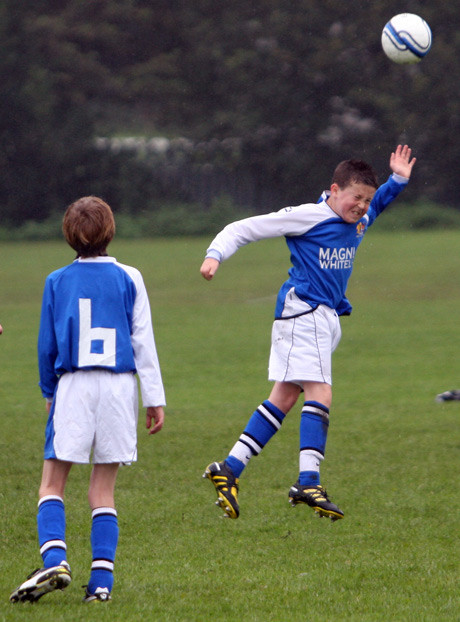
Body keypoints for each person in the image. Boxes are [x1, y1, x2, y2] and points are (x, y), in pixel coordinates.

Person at [200, 145, 416, 522]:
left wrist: (398, 179)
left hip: (325, 318)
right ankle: (308, 481)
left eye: (366, 200)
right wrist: (215, 254)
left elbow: (380, 201)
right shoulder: (308, 216)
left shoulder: (360, 218)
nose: (362, 206)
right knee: (321, 392)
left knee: (284, 397)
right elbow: (244, 228)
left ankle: (229, 469)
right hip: (304, 313)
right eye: (355, 197)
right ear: (334, 190)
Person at [10, 196, 166, 604]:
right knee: (102, 491)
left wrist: (49, 392)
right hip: (119, 387)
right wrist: (154, 398)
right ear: (110, 231)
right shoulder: (131, 276)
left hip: (74, 385)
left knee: (51, 483)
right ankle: (100, 587)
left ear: (68, 235)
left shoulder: (56, 280)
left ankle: (55, 560)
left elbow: (47, 345)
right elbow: (143, 341)